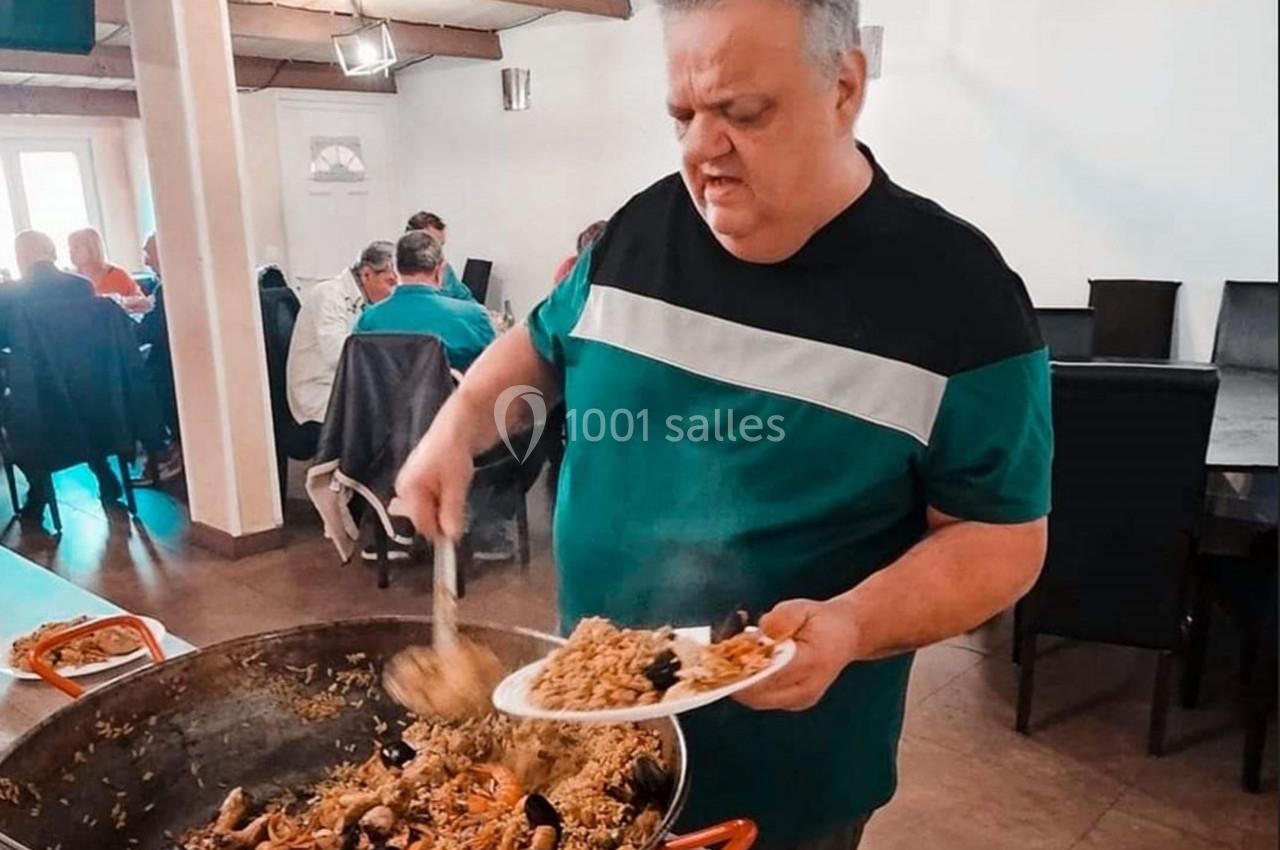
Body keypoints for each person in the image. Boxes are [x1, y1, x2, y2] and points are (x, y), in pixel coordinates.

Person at [394, 0, 1052, 848]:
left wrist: (851, 623)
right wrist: (457, 425)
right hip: (591, 738)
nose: (703, 149)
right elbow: (541, 340)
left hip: (784, 774)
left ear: (844, 85)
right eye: (682, 115)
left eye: (744, 113)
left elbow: (1001, 540)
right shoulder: (639, 231)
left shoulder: (962, 299)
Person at [2, 230, 128, 515]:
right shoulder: (81, 286)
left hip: (39, 396)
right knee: (80, 408)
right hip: (91, 391)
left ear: (21, 258)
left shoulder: (8, 294)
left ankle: (38, 486)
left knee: (12, 418)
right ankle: (103, 470)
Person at [287, 241, 398, 432]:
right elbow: (337, 356)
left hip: (346, 387)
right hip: (320, 394)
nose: (393, 291)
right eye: (390, 282)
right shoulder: (329, 296)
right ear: (366, 274)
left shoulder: (368, 303)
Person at [354, 231, 496, 371]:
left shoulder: (368, 321)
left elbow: (356, 377)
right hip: (449, 393)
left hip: (384, 394)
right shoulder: (473, 318)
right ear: (439, 270)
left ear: (394, 268)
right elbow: (496, 376)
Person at [134, 233, 184, 484]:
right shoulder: (170, 285)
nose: (146, 261)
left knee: (138, 387)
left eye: (149, 253)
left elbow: (149, 332)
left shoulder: (170, 288)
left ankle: (164, 450)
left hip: (171, 367)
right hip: (174, 362)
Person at [404, 211, 479, 303]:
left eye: (440, 246)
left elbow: (466, 299)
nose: (438, 253)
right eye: (431, 245)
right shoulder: (391, 274)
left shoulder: (444, 269)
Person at [67, 227, 144, 298]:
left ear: (92, 248)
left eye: (76, 247)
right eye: (70, 248)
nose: (70, 252)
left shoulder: (118, 275)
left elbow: (141, 303)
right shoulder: (69, 279)